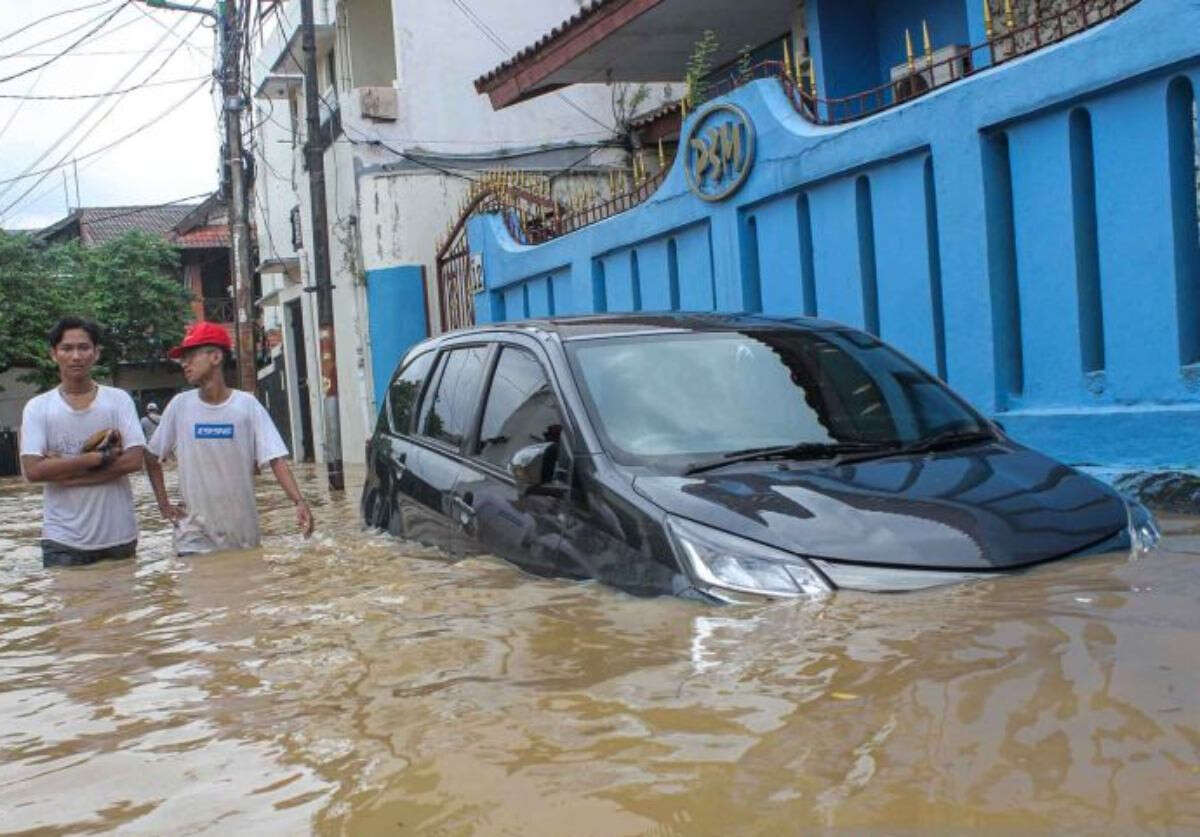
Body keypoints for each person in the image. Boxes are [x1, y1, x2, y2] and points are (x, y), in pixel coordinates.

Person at [144, 321, 313, 554]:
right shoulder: (179, 406)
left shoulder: (247, 406)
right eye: (183, 358)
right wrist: (163, 505)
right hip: (192, 536)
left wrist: (299, 502)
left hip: (241, 533)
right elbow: (151, 456)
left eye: (191, 355)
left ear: (215, 357)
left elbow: (276, 459)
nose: (184, 363)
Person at [19, 317, 147, 568]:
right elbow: (33, 471)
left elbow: (134, 460)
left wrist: (66, 473)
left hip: (119, 536)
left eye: (84, 348)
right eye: (67, 348)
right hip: (62, 541)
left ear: (96, 353)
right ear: (54, 354)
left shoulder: (118, 400)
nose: (76, 356)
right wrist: (94, 459)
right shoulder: (38, 408)